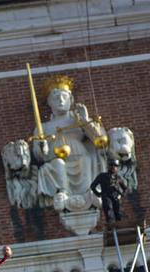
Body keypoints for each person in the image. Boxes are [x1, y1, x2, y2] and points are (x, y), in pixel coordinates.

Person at [33, 75, 107, 212]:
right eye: (55, 98)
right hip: (56, 157)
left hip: (80, 154)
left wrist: (85, 121)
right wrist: (42, 147)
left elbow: (100, 140)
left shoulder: (79, 119)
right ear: (49, 102)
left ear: (71, 99)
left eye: (64, 97)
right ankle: (63, 191)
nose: (60, 100)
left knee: (85, 160)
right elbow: (39, 155)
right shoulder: (43, 127)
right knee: (57, 164)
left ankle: (88, 192)